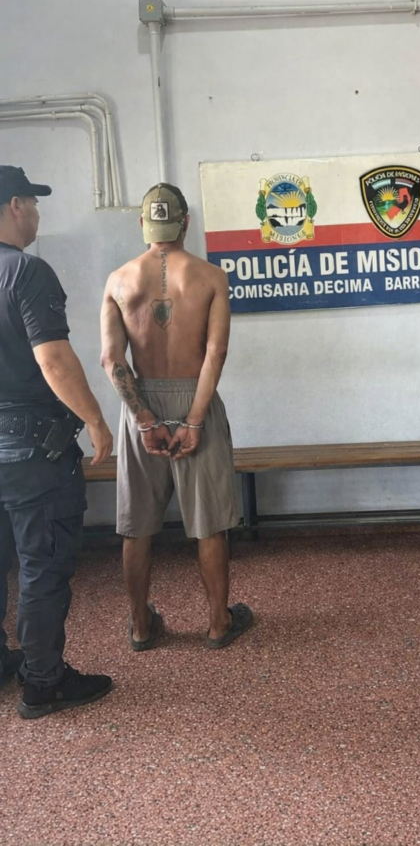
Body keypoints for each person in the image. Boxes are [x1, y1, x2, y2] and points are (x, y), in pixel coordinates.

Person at [100, 182, 252, 651]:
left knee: (137, 525)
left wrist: (145, 419)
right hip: (194, 396)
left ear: (142, 224)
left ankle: (141, 627)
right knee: (209, 523)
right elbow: (216, 353)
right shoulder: (211, 277)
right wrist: (194, 419)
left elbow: (111, 360)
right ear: (186, 223)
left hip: (140, 401)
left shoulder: (118, 280)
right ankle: (218, 624)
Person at [0, 165, 113, 719]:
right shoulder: (26, 271)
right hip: (31, 456)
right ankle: (44, 681)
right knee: (42, 565)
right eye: (34, 203)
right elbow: (53, 359)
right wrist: (95, 419)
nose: (38, 214)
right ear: (15, 205)